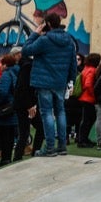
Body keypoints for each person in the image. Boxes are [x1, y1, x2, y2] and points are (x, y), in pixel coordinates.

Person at [21, 13, 78, 157]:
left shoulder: (44, 40)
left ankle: (50, 147)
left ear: (48, 24)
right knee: (60, 111)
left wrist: (34, 34)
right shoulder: (69, 41)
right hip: (61, 82)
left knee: (47, 112)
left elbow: (26, 51)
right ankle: (62, 146)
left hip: (44, 81)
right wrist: (70, 79)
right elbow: (73, 63)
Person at [0, 48, 25, 166]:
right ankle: (7, 158)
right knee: (9, 135)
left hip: (5, 109)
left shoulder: (6, 75)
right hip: (13, 107)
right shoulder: (17, 72)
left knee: (4, 135)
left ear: (4, 64)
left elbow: (3, 92)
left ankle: (5, 158)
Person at [74, 54, 101, 147]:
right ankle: (82, 140)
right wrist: (94, 94)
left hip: (84, 97)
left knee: (87, 119)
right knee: (88, 120)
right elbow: (88, 84)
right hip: (88, 98)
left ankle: (83, 139)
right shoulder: (92, 70)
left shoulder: (85, 68)